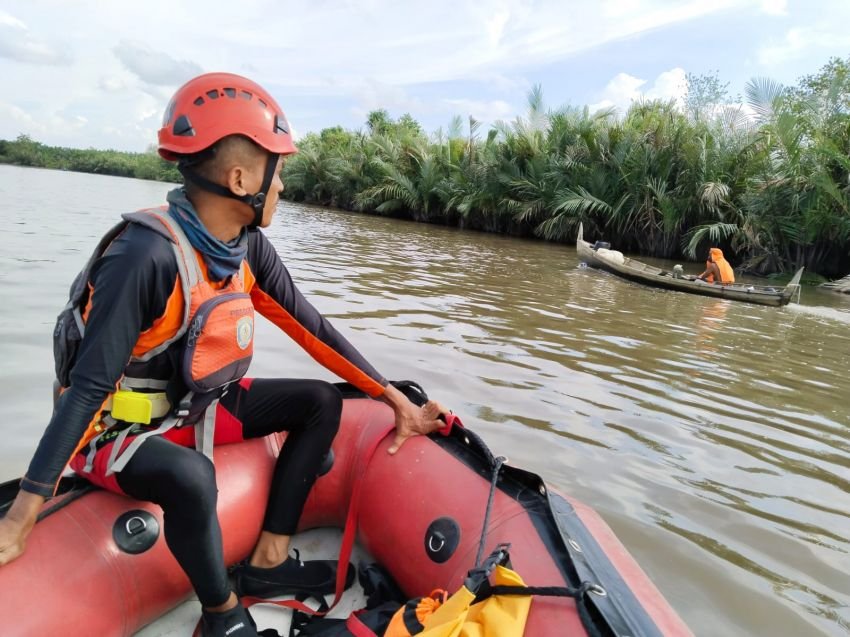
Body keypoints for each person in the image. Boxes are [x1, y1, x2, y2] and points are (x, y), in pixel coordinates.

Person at [0, 73, 447, 637]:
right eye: (276, 171)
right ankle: (221, 617)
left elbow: (314, 328)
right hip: (113, 432)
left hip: (194, 408)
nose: (282, 186)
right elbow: (89, 388)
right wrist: (21, 514)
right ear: (241, 179)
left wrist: (390, 398)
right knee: (192, 478)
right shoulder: (144, 256)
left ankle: (268, 561)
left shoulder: (247, 247)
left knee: (318, 404)